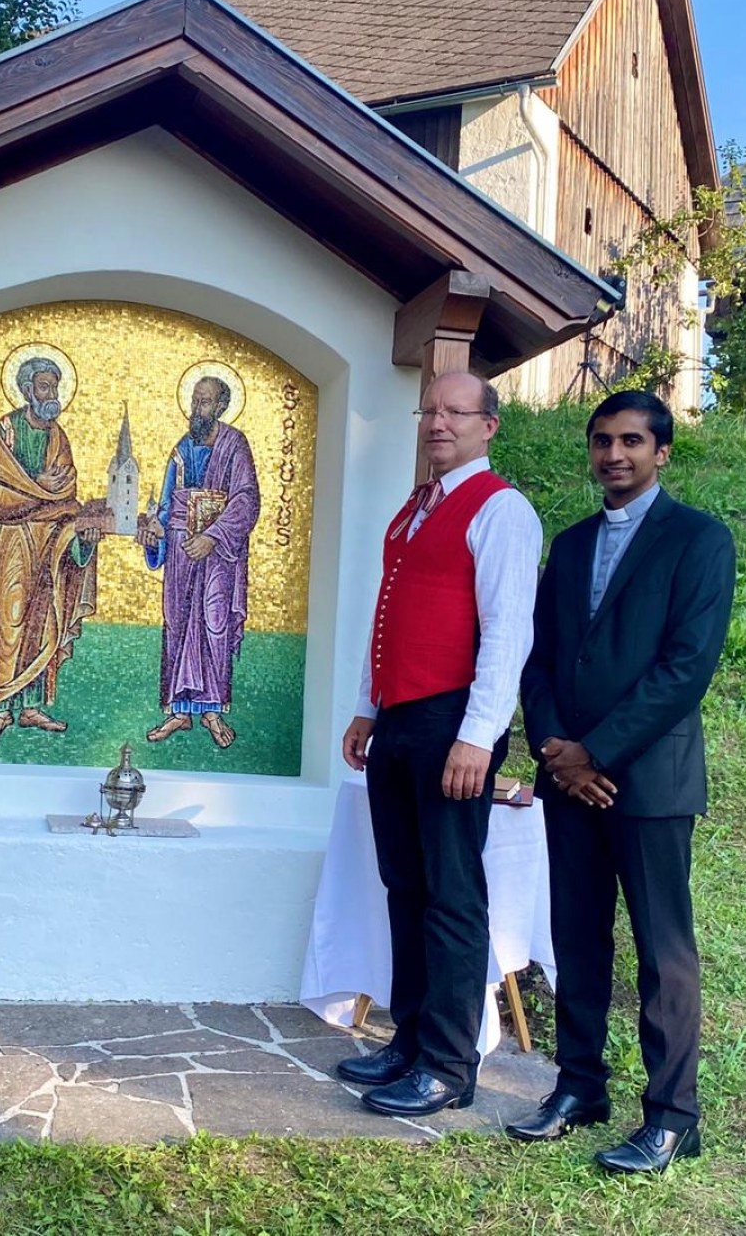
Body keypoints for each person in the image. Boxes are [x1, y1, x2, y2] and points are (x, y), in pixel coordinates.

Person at [511, 389, 735, 1174]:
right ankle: (579, 1086)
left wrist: (596, 753)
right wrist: (553, 748)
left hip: (649, 782)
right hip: (569, 780)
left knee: (662, 949)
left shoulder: (699, 540)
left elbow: (686, 667)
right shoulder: (570, 547)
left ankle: (673, 1116)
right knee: (576, 938)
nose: (615, 454)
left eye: (633, 440)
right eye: (603, 440)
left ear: (662, 451)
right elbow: (537, 661)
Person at [337, 371, 542, 1117]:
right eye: (431, 410)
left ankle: (450, 1067)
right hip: (400, 718)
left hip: (453, 719)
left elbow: (507, 633)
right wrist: (367, 706)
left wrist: (478, 736)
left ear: (489, 425)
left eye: (457, 411)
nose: (438, 423)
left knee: (453, 896)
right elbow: (386, 615)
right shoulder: (415, 509)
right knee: (405, 885)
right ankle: (411, 1037)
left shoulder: (502, 510)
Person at [0, 356, 106, 749]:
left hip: (50, 538)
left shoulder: (58, 436)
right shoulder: (5, 432)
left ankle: (30, 706)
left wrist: (68, 515)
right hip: (11, 541)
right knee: (10, 618)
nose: (52, 395)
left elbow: (65, 491)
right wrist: (37, 489)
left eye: (55, 387)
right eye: (44, 387)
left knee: (43, 618)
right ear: (28, 390)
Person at [142, 375, 261, 748]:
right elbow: (165, 504)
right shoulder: (181, 448)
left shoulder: (234, 446)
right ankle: (179, 711)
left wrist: (212, 537)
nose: (197, 408)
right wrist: (154, 531)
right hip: (180, 549)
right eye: (195, 401)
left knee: (213, 623)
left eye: (205, 402)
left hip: (217, 554)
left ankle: (211, 710)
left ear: (221, 407)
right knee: (177, 621)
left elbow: (246, 499)